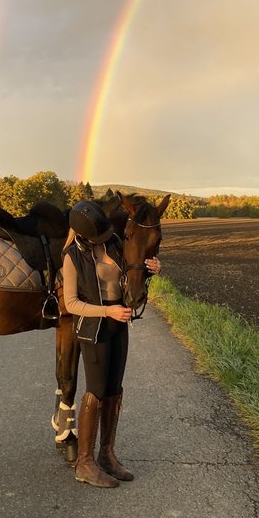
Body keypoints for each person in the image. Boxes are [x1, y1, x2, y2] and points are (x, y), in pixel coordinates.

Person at [62, 200, 161, 488]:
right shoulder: (72, 257)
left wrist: (155, 266)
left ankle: (106, 455)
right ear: (84, 235)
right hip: (95, 329)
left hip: (119, 324)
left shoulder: (115, 243)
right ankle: (84, 463)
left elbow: (137, 262)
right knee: (96, 392)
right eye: (100, 236)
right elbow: (71, 303)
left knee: (115, 391)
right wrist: (108, 311)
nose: (106, 239)